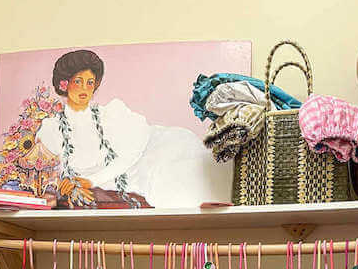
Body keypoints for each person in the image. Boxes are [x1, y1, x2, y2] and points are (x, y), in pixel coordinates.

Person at [36, 49, 230, 208]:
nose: (85, 89)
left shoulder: (111, 113)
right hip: (136, 172)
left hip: (154, 150)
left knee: (192, 164)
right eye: (78, 81)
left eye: (90, 83)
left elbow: (131, 153)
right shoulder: (50, 129)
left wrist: (92, 180)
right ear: (64, 84)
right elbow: (44, 172)